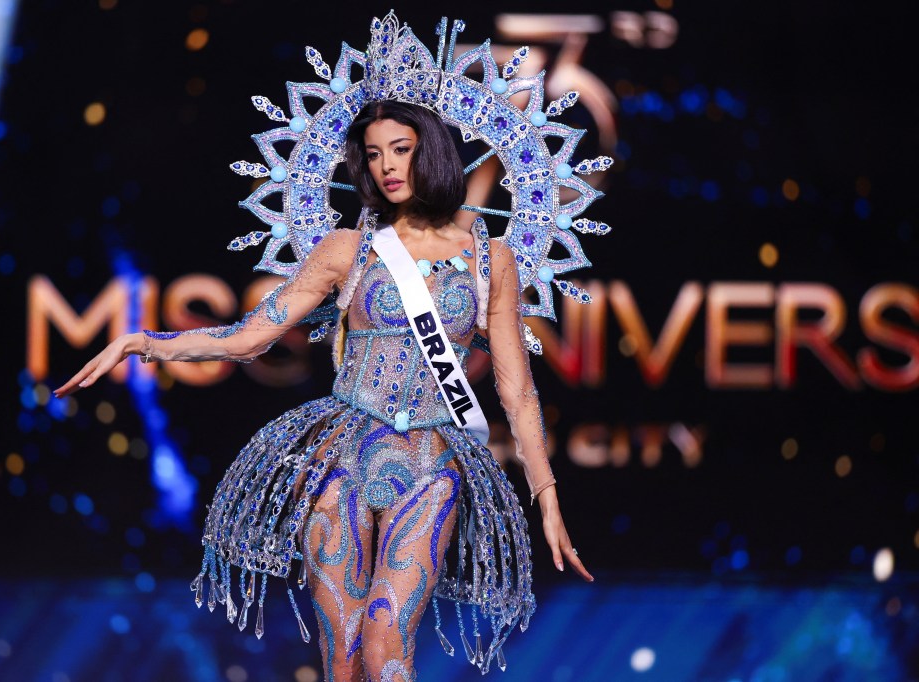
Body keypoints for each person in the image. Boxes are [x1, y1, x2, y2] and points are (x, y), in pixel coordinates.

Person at [56, 12, 602, 681]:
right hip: (339, 460)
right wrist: (146, 342)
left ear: (429, 150)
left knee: (384, 644)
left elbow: (516, 391)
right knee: (341, 660)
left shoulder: (491, 260)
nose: (387, 166)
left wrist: (547, 498)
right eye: (373, 155)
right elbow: (248, 337)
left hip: (433, 466)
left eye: (399, 149)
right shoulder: (347, 249)